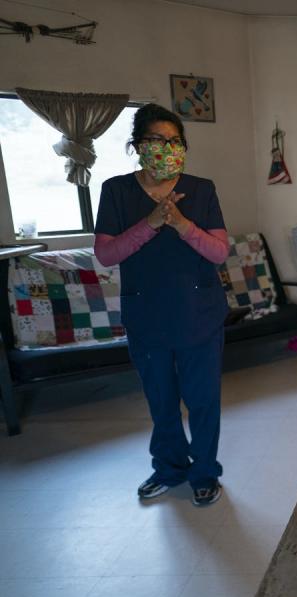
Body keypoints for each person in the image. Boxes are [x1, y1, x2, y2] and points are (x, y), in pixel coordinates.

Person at [94, 104, 230, 507]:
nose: (165, 148)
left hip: (199, 315)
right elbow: (106, 254)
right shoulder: (116, 191)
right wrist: (151, 222)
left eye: (174, 141)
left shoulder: (202, 189)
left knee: (204, 401)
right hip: (147, 316)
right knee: (161, 401)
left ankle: (204, 473)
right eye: (156, 140)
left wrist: (181, 224)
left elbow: (220, 252)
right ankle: (169, 468)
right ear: (137, 145)